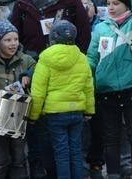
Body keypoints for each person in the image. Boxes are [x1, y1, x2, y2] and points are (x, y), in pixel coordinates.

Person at [9, 0, 90, 178]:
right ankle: (39, 171)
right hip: (32, 70)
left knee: (63, 141)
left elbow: (84, 35)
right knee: (36, 131)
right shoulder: (23, 3)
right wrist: (24, 63)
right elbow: (12, 34)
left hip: (65, 75)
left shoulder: (71, 1)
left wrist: (73, 61)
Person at [86, 0, 132, 179]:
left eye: (116, 3)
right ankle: (113, 174)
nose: (111, 7)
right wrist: (88, 80)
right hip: (106, 89)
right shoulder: (100, 27)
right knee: (111, 136)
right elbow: (92, 57)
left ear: (125, 4)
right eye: (108, 4)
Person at [28, 20, 95, 179]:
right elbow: (88, 87)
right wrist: (89, 110)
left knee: (61, 153)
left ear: (52, 38)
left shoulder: (45, 59)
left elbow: (38, 92)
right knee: (76, 152)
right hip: (77, 111)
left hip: (55, 113)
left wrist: (33, 115)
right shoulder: (81, 58)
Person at [0, 19, 36, 179]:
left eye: (15, 39)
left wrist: (28, 75)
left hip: (19, 116)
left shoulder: (25, 59)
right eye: (8, 40)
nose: (13, 43)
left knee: (19, 158)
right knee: (1, 159)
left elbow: (37, 68)